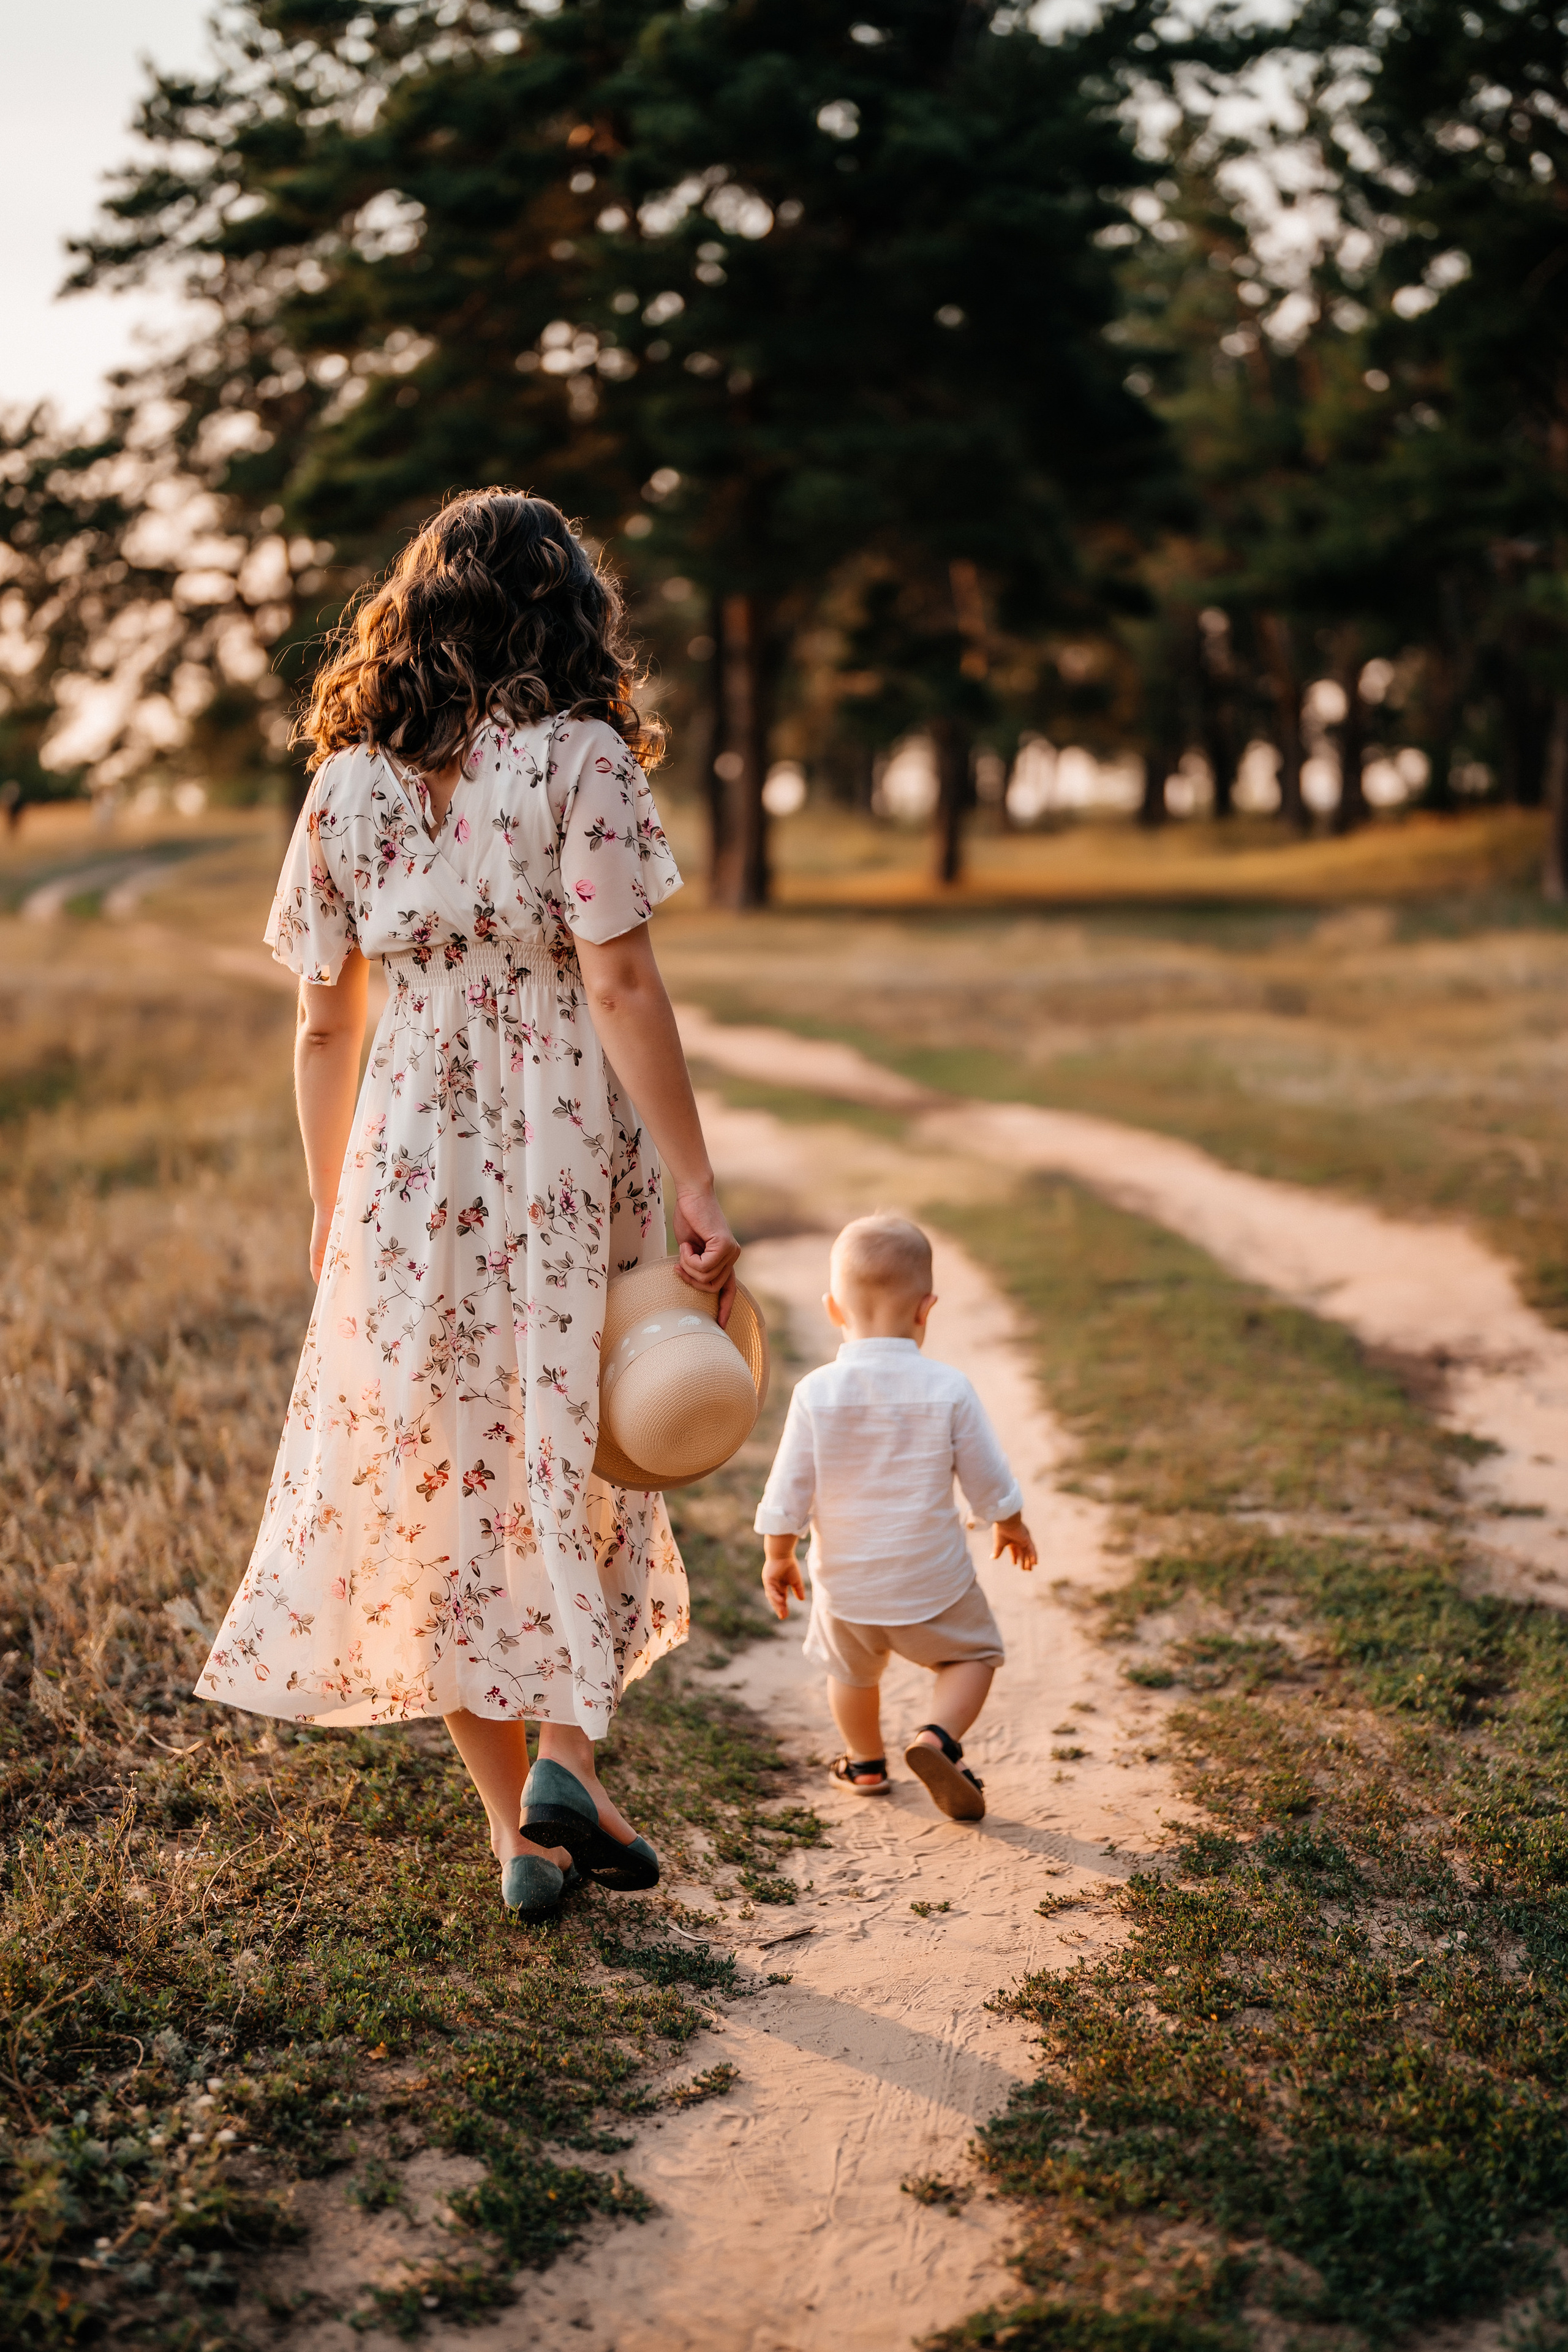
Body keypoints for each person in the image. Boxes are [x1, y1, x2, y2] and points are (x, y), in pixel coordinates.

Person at [197, 489, 740, 1917]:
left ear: (415, 613)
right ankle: (563, 1754)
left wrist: (333, 1207)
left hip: (401, 1176)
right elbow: (618, 983)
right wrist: (694, 1173)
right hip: (559, 1155)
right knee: (584, 1450)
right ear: (568, 613)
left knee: (444, 1487)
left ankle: (523, 1830)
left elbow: (323, 1023)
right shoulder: (582, 762)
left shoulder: (345, 787)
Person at [754, 1215, 1036, 1820]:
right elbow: (986, 1473)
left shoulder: (815, 1392)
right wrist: (1007, 1521)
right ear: (925, 1309)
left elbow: (789, 1486)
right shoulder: (948, 1387)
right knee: (973, 1657)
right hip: (931, 1580)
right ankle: (937, 1738)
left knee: (849, 1673)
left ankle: (865, 1765)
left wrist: (779, 1555)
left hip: (846, 1585)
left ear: (833, 1309)